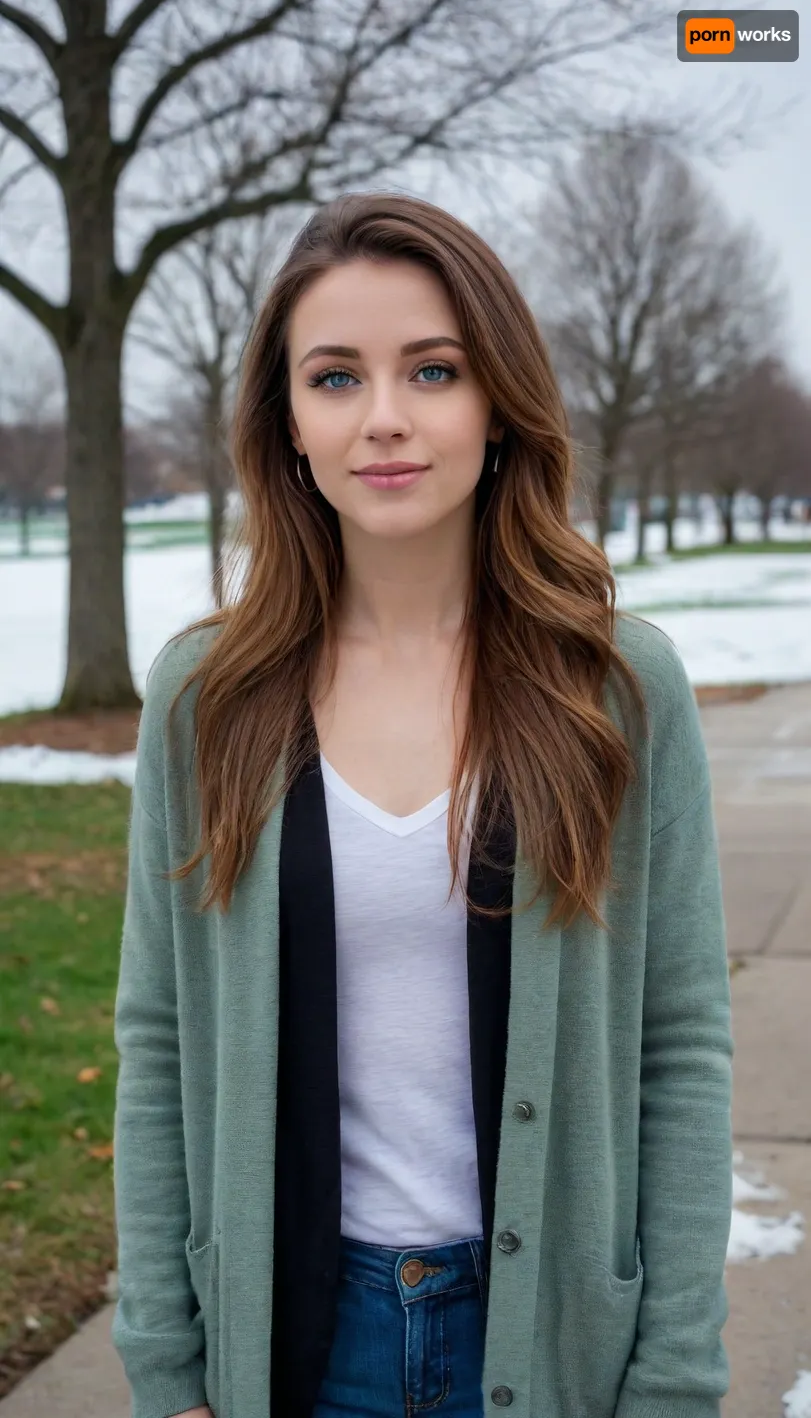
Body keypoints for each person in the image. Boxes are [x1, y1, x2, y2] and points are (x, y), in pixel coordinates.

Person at [111, 191, 734, 1418]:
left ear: (496, 400)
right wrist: (170, 1367)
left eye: (432, 370)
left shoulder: (617, 688)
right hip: (294, 1347)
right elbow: (158, 1039)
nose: (384, 419)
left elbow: (681, 1046)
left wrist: (673, 1377)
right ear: (286, 420)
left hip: (556, 1345)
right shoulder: (208, 697)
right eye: (334, 377)